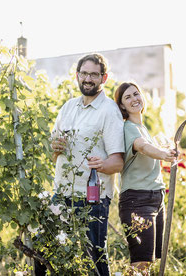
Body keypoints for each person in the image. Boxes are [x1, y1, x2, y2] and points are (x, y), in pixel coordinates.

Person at [35, 53, 125, 276]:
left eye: (94, 74)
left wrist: (102, 164)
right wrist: (56, 149)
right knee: (42, 247)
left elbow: (118, 162)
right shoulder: (68, 107)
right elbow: (54, 154)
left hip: (92, 197)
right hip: (61, 192)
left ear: (103, 78)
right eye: (84, 73)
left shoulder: (109, 111)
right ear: (77, 75)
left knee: (94, 255)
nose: (87, 78)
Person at [114, 82, 177, 275]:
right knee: (140, 264)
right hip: (137, 201)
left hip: (154, 199)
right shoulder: (129, 128)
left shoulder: (144, 129)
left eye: (136, 94)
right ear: (122, 106)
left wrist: (168, 152)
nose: (134, 99)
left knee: (147, 264)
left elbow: (150, 148)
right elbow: (142, 147)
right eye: (127, 97)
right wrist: (163, 154)